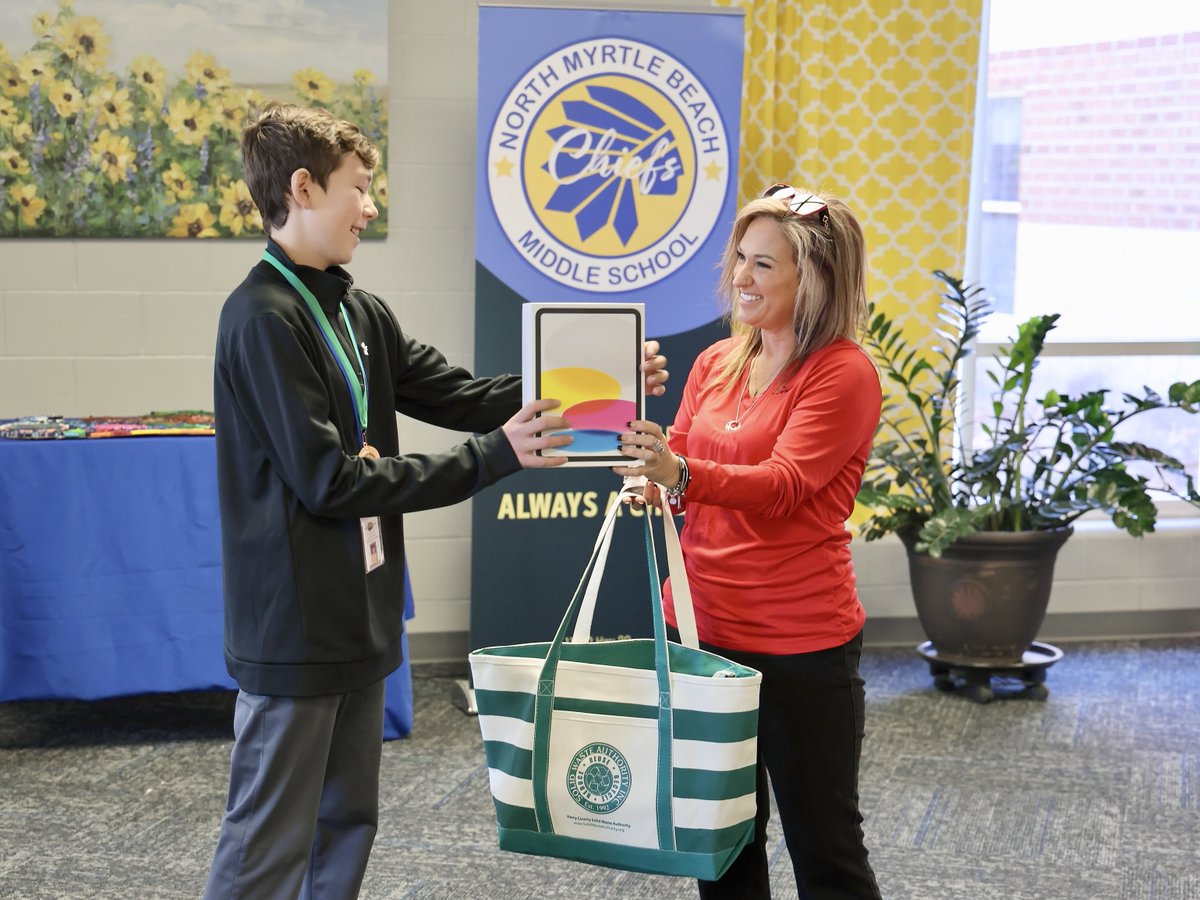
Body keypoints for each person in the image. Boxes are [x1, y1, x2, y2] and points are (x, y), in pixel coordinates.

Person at [205, 101, 667, 900]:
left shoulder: (358, 311)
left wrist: (604, 385)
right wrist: (495, 460)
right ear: (305, 189)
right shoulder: (261, 318)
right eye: (361, 188)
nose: (372, 206)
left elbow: (464, 395)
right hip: (296, 628)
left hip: (361, 615)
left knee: (346, 825)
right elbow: (332, 483)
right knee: (267, 844)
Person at [614, 184, 884, 899]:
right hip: (699, 632)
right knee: (720, 842)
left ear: (814, 280)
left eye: (764, 265)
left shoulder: (844, 373)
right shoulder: (716, 362)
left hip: (800, 645)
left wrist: (682, 472)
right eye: (740, 257)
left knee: (825, 848)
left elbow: (785, 485)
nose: (740, 277)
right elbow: (683, 456)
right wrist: (656, 479)